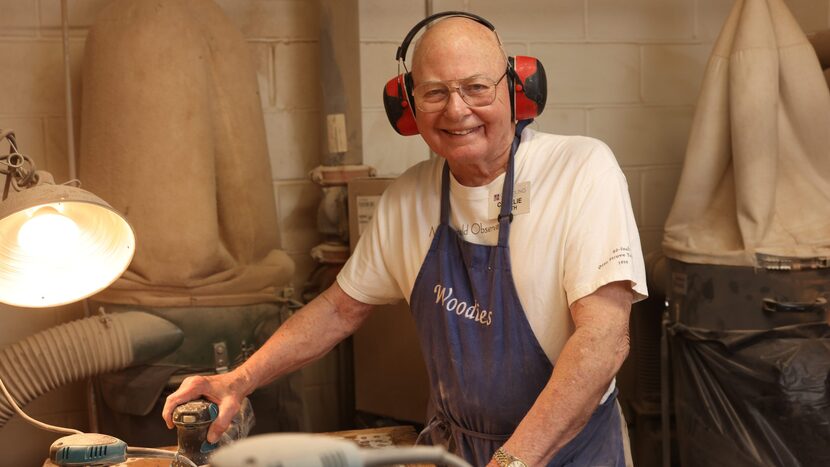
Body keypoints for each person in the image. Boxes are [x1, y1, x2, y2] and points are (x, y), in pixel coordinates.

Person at [163, 12, 647, 467]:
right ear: (407, 106)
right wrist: (239, 379)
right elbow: (337, 309)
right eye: (435, 93)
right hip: (456, 449)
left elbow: (604, 339)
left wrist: (512, 460)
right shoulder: (408, 197)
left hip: (570, 449)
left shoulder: (581, 170)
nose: (457, 110)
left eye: (477, 88)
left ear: (517, 90)